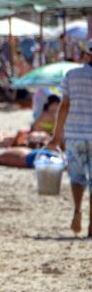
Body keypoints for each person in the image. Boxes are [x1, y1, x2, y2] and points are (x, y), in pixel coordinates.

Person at [49, 39, 92, 236]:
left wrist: (56, 136)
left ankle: (77, 211)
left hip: (74, 134)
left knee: (77, 176)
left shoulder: (72, 75)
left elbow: (64, 106)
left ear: (86, 55)